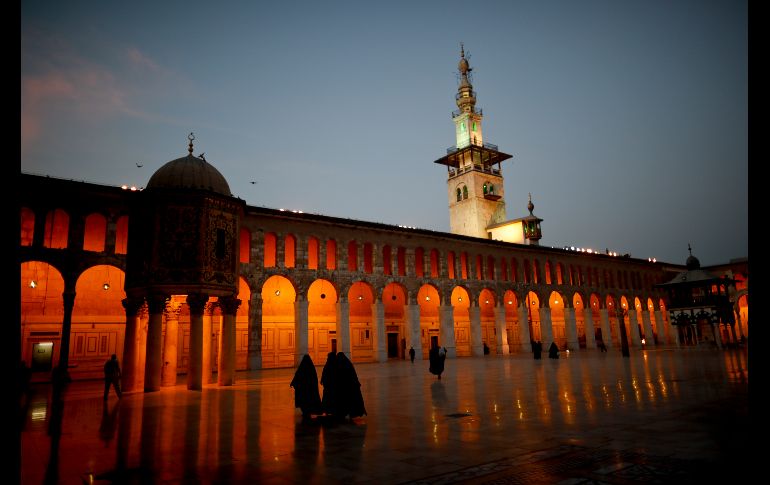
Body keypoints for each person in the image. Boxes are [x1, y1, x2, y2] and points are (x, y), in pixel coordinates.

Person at [290, 354, 323, 420]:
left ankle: (305, 410)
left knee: (304, 400)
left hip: (303, 390)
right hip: (310, 389)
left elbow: (297, 376)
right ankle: (310, 409)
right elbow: (314, 379)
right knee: (310, 399)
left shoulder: (302, 368)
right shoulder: (311, 368)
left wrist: (293, 383)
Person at [335, 352, 367, 420]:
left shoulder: (340, 365)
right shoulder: (348, 364)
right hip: (351, 387)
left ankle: (346, 412)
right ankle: (351, 412)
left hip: (347, 387)